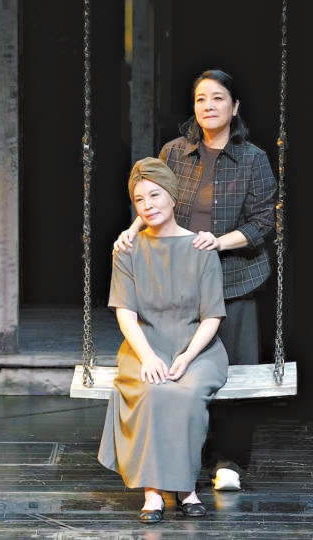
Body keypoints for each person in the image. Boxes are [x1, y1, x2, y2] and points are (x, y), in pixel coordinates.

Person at [114, 69, 278, 492]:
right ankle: (182, 457)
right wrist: (131, 231)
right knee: (179, 368)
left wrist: (219, 242)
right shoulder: (173, 152)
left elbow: (264, 221)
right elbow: (153, 199)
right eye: (201, 98)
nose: (209, 106)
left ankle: (229, 461)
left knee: (234, 374)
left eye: (218, 98)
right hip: (180, 281)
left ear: (234, 107)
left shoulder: (253, 158)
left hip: (236, 278)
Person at [98, 157, 229, 524]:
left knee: (186, 394)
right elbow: (125, 313)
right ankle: (153, 491)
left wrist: (187, 356)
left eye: (155, 195)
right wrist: (147, 357)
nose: (148, 205)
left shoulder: (200, 249)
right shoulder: (128, 250)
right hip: (146, 343)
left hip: (197, 347)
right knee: (151, 392)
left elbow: (212, 316)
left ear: (172, 197)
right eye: (139, 200)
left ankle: (186, 488)